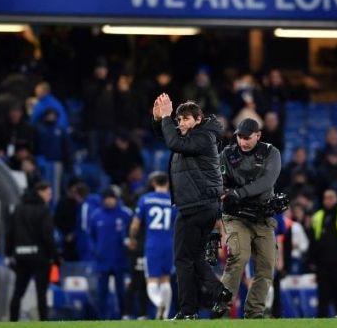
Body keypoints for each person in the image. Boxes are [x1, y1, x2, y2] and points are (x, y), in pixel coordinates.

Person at [151, 94, 231, 320]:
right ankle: (218, 292)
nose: (181, 124)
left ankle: (188, 311)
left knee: (183, 259)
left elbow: (175, 142)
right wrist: (159, 120)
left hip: (198, 205)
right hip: (196, 205)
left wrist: (166, 118)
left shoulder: (204, 136)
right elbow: (168, 138)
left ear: (198, 119)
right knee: (194, 257)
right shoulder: (195, 135)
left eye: (185, 119)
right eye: (178, 120)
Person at [215, 117, 281, 319]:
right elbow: (219, 181)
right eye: (239, 137)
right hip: (236, 217)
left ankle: (254, 313)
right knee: (239, 257)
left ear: (258, 135)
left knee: (267, 266)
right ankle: (222, 309)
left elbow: (267, 181)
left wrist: (238, 192)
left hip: (262, 217)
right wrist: (226, 192)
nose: (242, 142)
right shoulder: (227, 153)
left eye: (247, 137)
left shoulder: (271, 152)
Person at [7, 181, 57, 321]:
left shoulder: (18, 208)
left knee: (18, 292)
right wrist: (55, 255)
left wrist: (9, 252)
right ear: (40, 192)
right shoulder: (43, 210)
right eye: (48, 193)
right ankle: (43, 321)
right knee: (41, 293)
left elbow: (10, 232)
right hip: (40, 257)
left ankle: (13, 321)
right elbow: (47, 235)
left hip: (21, 256)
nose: (50, 196)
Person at [129, 172, 176, 319]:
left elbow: (135, 224)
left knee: (152, 280)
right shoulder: (174, 201)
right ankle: (164, 316)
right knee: (166, 279)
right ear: (167, 183)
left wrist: (132, 238)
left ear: (154, 183)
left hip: (152, 244)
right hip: (169, 243)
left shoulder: (146, 199)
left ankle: (158, 302)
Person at [308, 189, 337, 318]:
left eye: (330, 198)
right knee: (322, 296)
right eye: (325, 198)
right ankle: (322, 322)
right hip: (322, 263)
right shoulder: (317, 216)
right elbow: (312, 240)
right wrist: (311, 260)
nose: (327, 201)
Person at [89, 188, 133, 320]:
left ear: (116, 199)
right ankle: (102, 318)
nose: (109, 201)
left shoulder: (125, 214)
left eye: (111, 198)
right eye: (107, 198)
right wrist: (96, 250)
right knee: (102, 292)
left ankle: (123, 316)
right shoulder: (96, 215)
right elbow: (91, 237)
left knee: (122, 292)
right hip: (102, 261)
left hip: (120, 260)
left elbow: (133, 233)